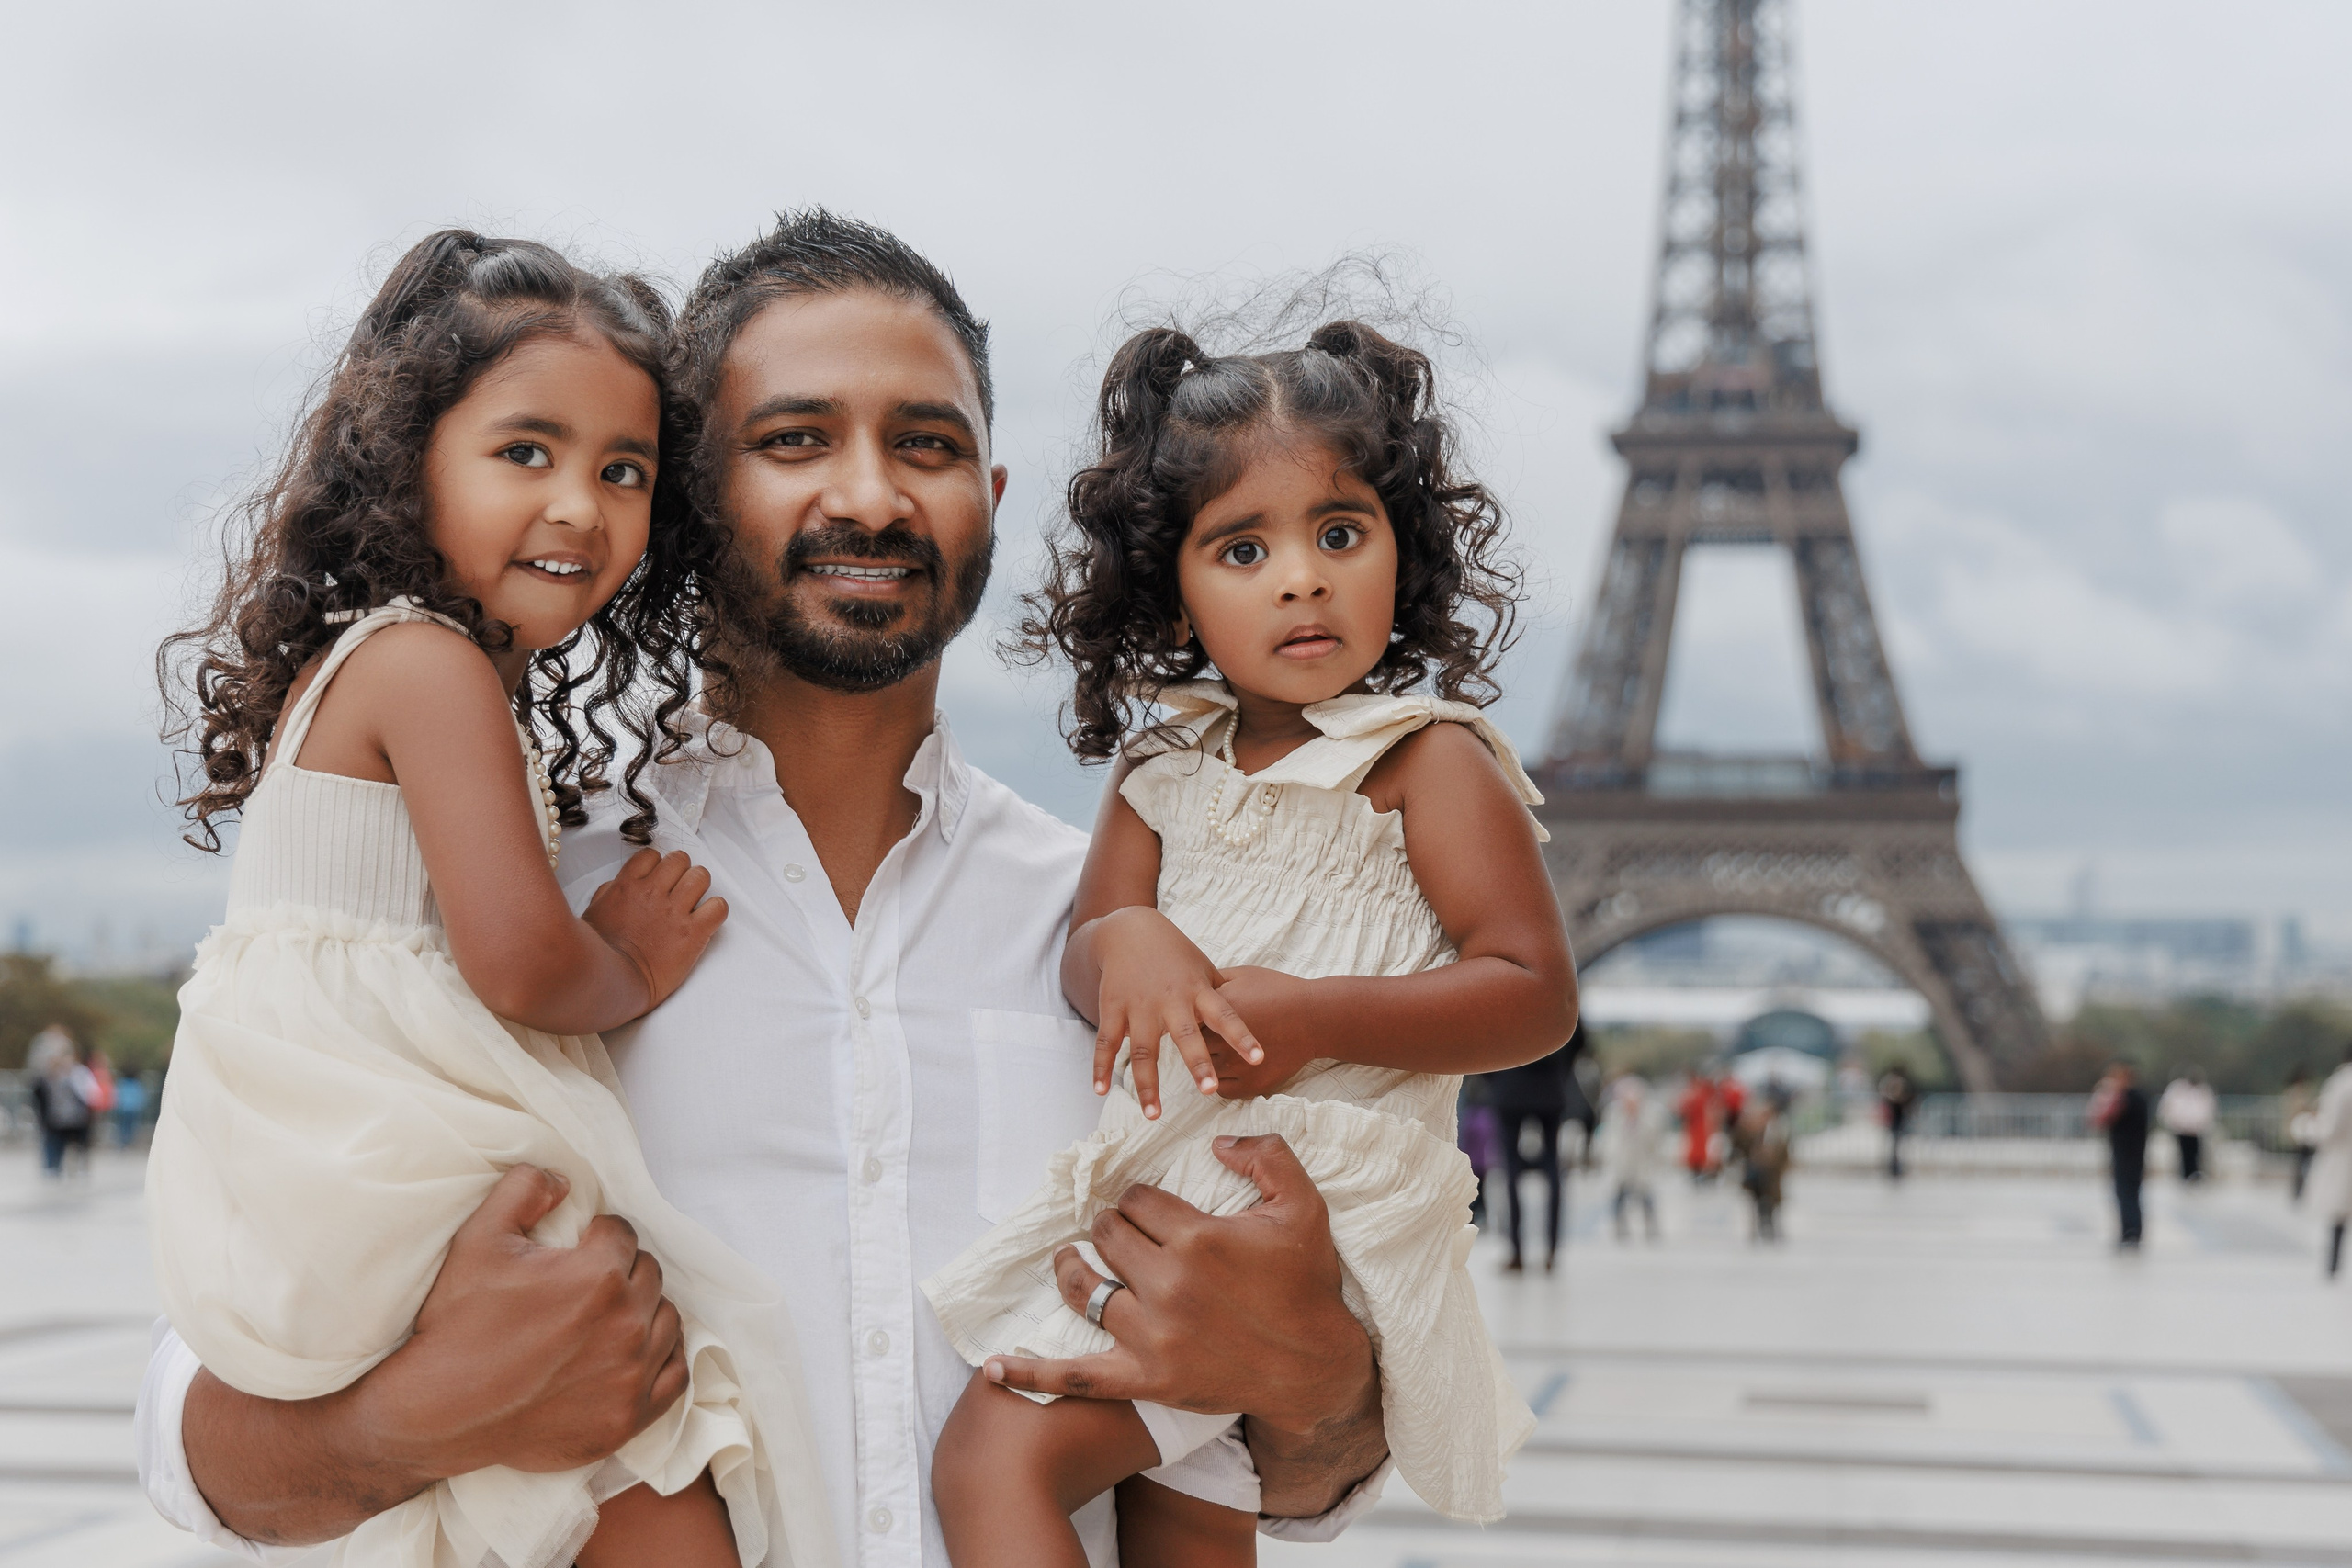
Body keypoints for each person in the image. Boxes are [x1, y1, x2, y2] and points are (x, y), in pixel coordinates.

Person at [137, 212, 1394, 1568]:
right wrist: (402, 1421)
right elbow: (198, 1424)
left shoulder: (1138, 930)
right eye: (795, 440)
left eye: (927, 443)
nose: (869, 496)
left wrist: (1323, 1377)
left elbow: (1288, 1442)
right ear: (686, 500)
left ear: (993, 490)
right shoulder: (509, 907)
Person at [147, 230, 832, 1568]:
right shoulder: (430, 665)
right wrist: (625, 963)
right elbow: (520, 963)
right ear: (410, 463)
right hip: (386, 1148)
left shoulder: (407, 666)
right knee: (650, 1433)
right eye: (528, 452)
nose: (579, 504)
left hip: (324, 1146)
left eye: (621, 470)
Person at [920, 316, 1573, 1567]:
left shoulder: (1427, 761)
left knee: (990, 1460)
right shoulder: (1160, 765)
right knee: (1184, 1520)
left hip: (1308, 1192)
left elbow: (1531, 991)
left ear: (1405, 549)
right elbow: (1089, 949)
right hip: (1175, 1179)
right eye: (1243, 545)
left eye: (1340, 532)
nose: (1301, 576)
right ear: (1173, 585)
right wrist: (1134, 941)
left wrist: (1319, 1015)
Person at [1485, 1032, 1582, 1275]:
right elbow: (1576, 1035)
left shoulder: (1501, 995)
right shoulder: (1555, 992)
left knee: (1511, 1172)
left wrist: (1494, 1078)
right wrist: (1560, 1069)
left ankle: (1516, 1251)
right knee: (1553, 1170)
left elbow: (1485, 1035)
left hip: (1509, 1084)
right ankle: (1551, 1250)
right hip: (1550, 1085)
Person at [2088, 1061, 2150, 1249]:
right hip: (2136, 1153)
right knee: (2132, 1193)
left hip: (2125, 1153)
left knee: (2125, 1193)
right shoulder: (2140, 1098)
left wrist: (2107, 1094)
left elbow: (2101, 1119)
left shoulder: (2123, 1099)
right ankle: (2133, 1230)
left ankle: (2129, 1231)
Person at [2302, 1047, 2352, 1276]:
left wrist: (2305, 1127)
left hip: (2343, 1157)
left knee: (2338, 1215)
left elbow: (2329, 1128)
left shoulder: (2341, 1083)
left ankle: (2333, 1264)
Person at [1600, 1073, 1664, 1241]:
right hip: (1622, 1162)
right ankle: (1620, 1227)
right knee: (1619, 1197)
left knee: (1646, 1196)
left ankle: (1651, 1226)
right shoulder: (1614, 1113)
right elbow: (1609, 1138)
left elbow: (1654, 1139)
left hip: (1641, 1162)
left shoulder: (1650, 1114)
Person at [27, 1025, 92, 1178]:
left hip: (71, 1115)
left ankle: (64, 1167)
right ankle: (52, 1166)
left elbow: (85, 1093)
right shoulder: (46, 1078)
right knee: (53, 1140)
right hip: (54, 1115)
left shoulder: (76, 1074)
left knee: (71, 1143)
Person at [1733, 1089, 1792, 1242]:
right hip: (1755, 1174)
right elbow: (1739, 1147)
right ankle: (1758, 1228)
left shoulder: (1779, 1130)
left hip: (1771, 1175)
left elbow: (1785, 1153)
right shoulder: (1751, 1129)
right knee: (1755, 1202)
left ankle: (1770, 1227)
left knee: (1771, 1204)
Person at [2158, 1066, 2216, 1184]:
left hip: (2197, 1130)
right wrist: (2174, 1123)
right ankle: (2185, 1175)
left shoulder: (2203, 1090)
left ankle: (2195, 1174)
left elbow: (2208, 1109)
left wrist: (2201, 1124)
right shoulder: (2177, 1089)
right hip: (2181, 1128)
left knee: (2196, 1152)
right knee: (2184, 1153)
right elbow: (2168, 1107)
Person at [2285, 1064, 2319, 1202]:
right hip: (2298, 1132)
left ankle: (2302, 1189)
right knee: (2300, 1162)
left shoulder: (2303, 1092)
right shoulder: (2294, 1093)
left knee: (2304, 1161)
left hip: (2304, 1132)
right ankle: (2298, 1189)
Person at [1878, 1065, 1917, 1181]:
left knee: (1898, 1143)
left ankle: (1896, 1167)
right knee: (1894, 1143)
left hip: (1899, 1116)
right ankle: (1893, 1167)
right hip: (1893, 1117)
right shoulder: (1890, 1083)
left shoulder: (1900, 1083)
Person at [113, 1067, 147, 1149]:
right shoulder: (136, 1084)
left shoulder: (122, 1083)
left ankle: (122, 1142)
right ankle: (129, 1142)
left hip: (124, 1108)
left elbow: (118, 1095)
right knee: (132, 1127)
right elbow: (140, 1096)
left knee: (122, 1126)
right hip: (133, 1109)